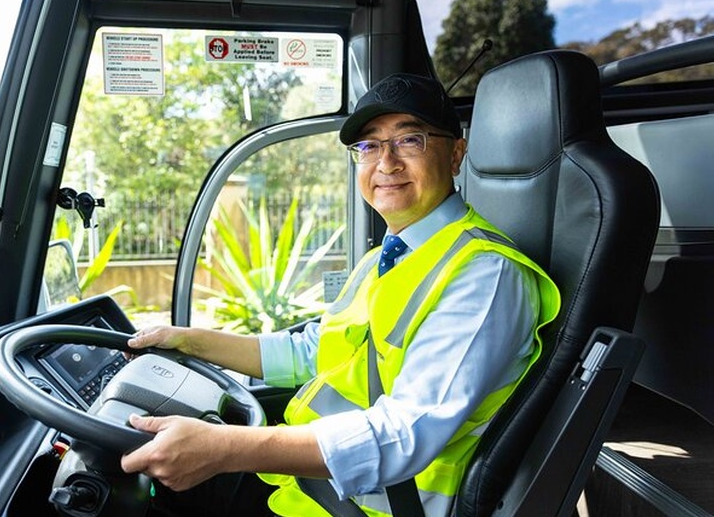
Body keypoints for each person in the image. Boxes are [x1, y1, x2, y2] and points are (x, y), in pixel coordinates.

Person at [120, 73, 561, 517]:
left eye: (410, 140)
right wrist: (188, 340)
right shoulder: (390, 256)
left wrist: (226, 448)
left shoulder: (485, 274)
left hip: (376, 506)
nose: (385, 163)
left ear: (456, 154)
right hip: (315, 487)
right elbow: (314, 352)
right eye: (368, 146)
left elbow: (405, 433)